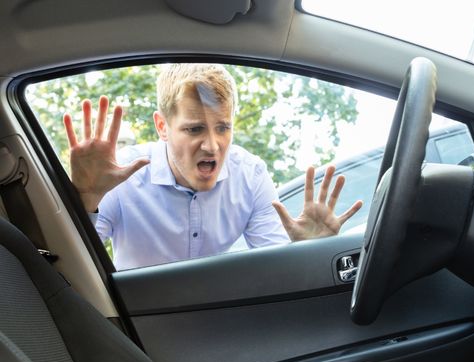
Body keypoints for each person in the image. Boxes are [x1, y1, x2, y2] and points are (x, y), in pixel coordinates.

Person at [63, 63, 363, 270]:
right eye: (195, 129)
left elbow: (277, 265)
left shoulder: (250, 174)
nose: (212, 145)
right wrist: (87, 200)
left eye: (222, 128)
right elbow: (73, 265)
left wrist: (309, 252)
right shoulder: (121, 175)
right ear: (162, 127)